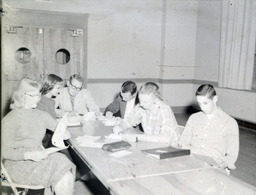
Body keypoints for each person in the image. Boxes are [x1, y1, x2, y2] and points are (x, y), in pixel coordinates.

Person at [1, 78, 75, 195]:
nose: (38, 98)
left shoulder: (41, 115)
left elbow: (59, 128)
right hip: (18, 164)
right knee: (61, 170)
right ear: (22, 95)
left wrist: (64, 132)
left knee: (63, 166)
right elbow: (4, 151)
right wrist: (28, 155)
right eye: (34, 95)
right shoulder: (11, 118)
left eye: (39, 94)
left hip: (39, 157)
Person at [178, 84, 239, 171]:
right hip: (191, 162)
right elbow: (183, 142)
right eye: (199, 104)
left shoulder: (229, 123)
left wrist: (221, 165)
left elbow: (231, 156)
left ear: (215, 99)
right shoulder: (194, 118)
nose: (202, 108)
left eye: (205, 103)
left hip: (213, 167)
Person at [114, 82, 179, 145]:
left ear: (155, 99)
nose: (142, 104)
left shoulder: (164, 109)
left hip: (170, 147)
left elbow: (166, 138)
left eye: (145, 101)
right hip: (151, 144)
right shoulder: (141, 106)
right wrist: (120, 127)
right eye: (140, 100)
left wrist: (137, 137)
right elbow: (127, 121)